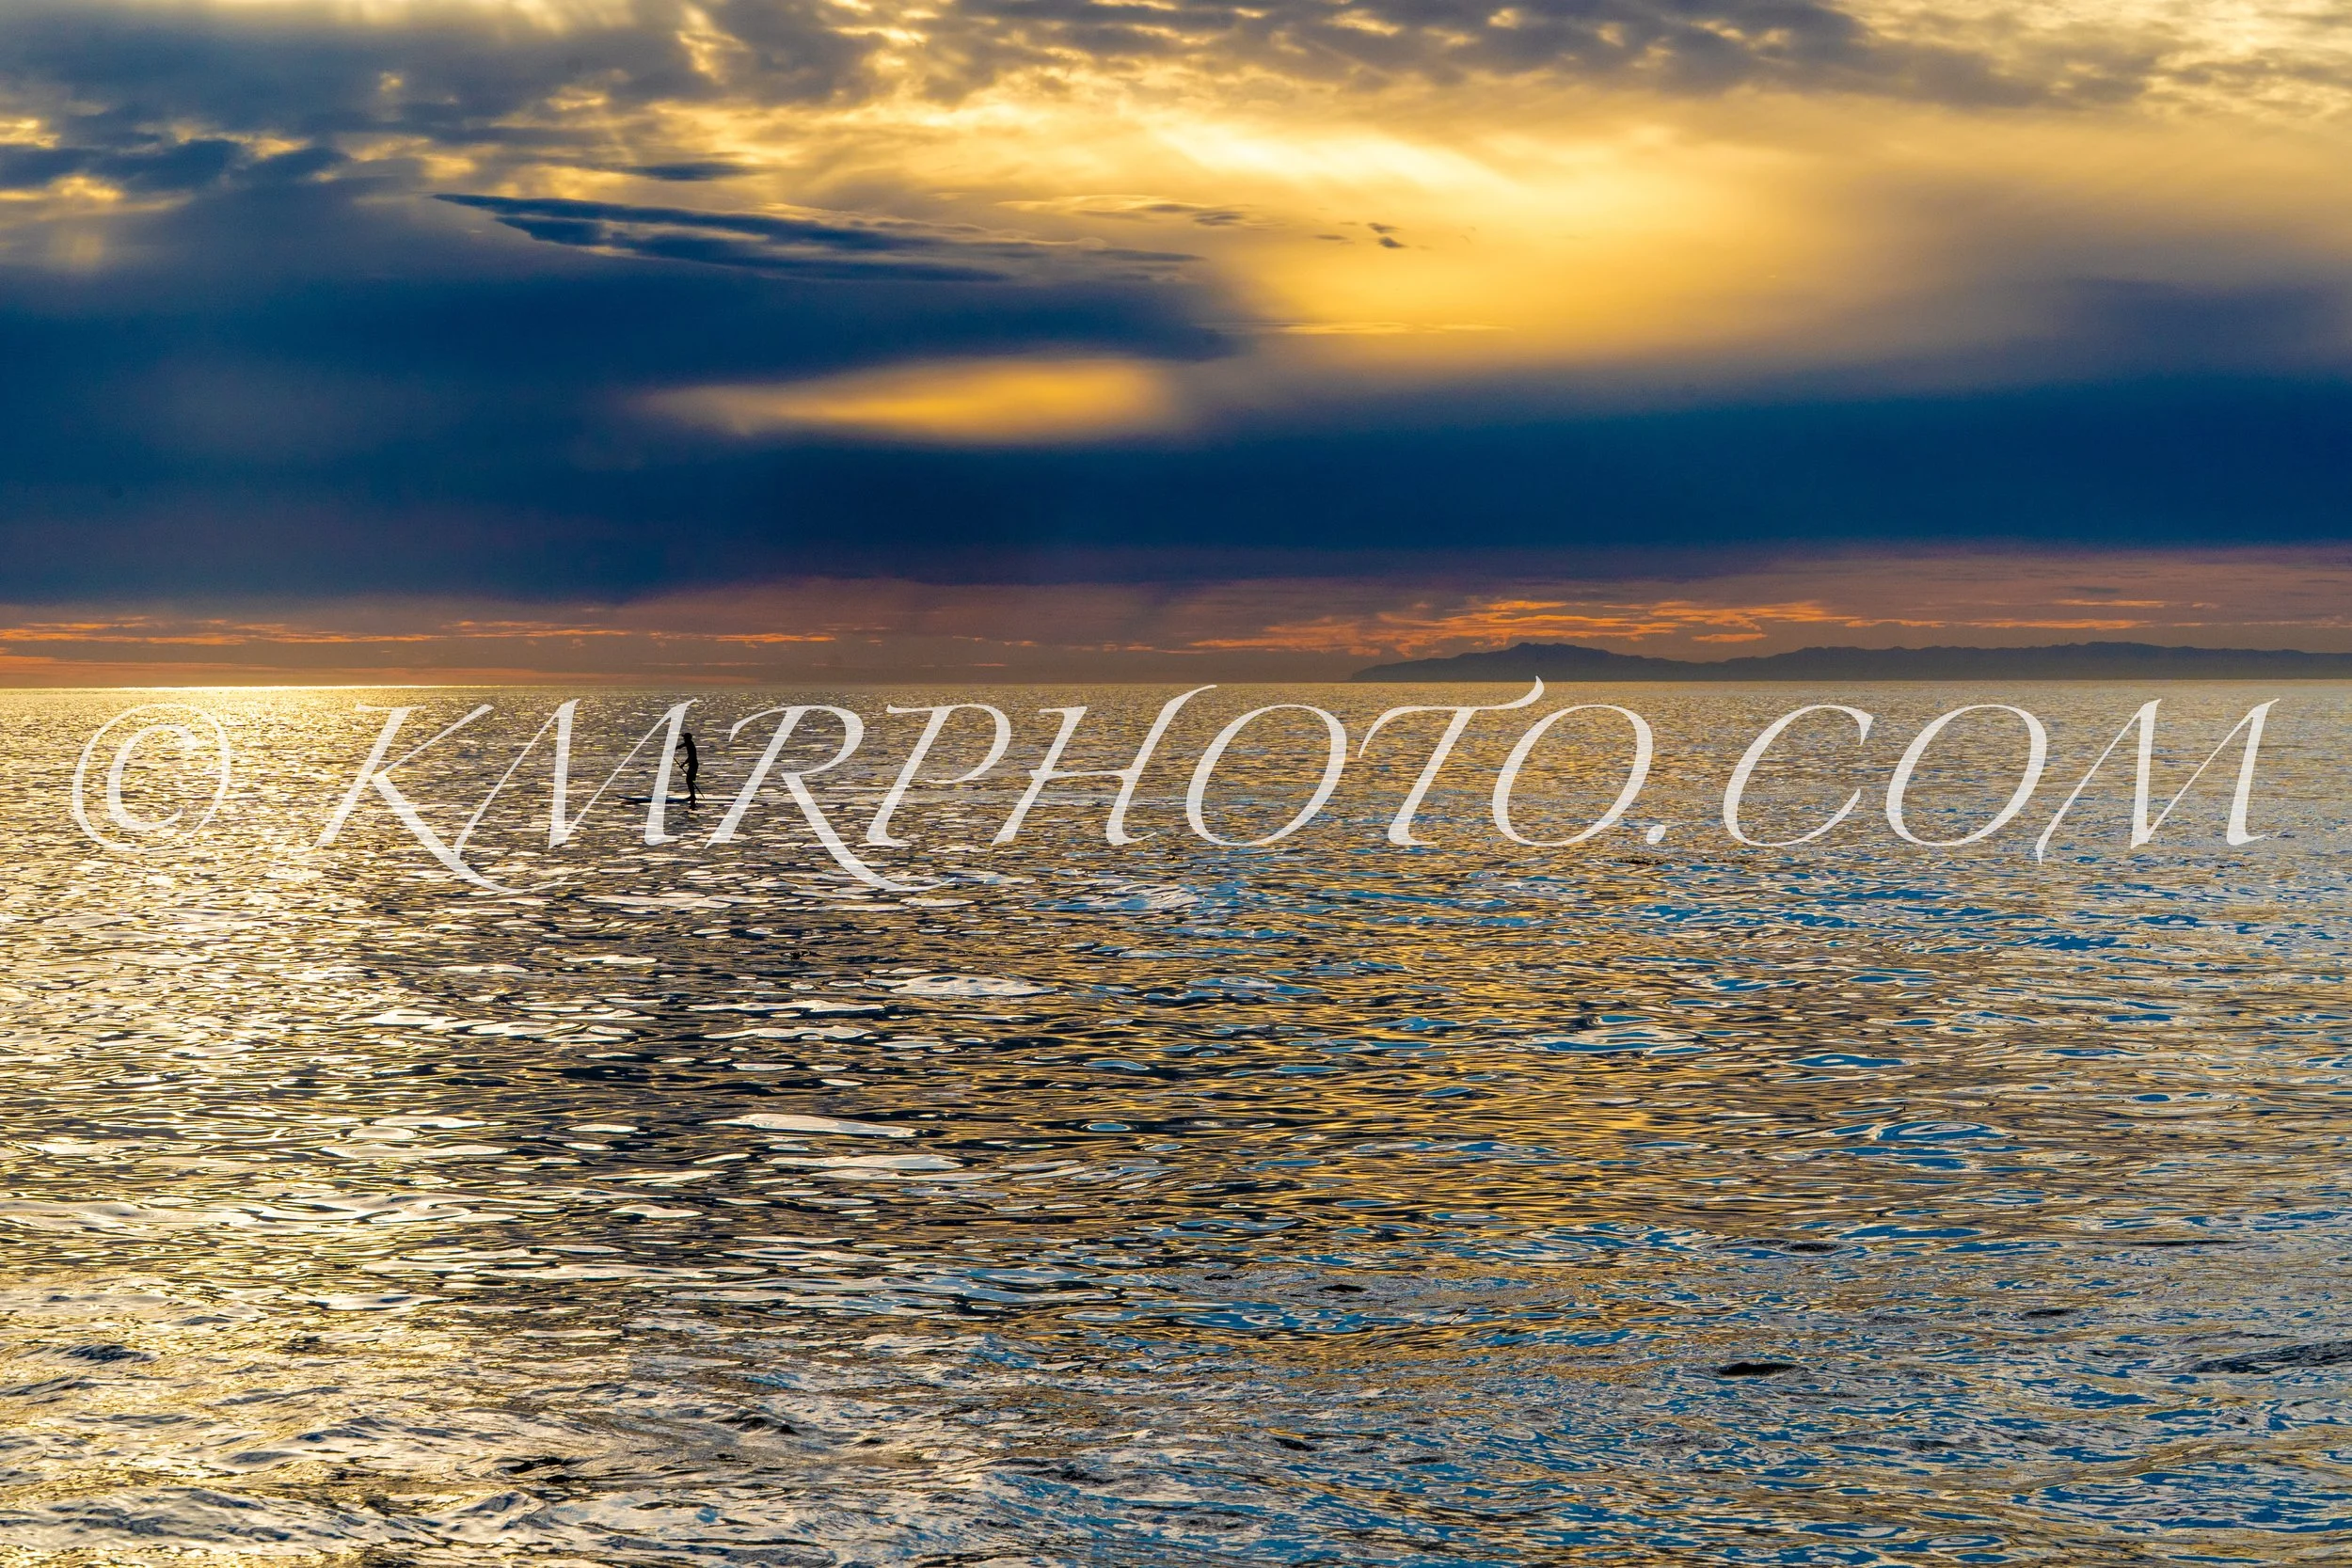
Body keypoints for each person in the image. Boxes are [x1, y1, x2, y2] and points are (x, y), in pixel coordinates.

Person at [675, 730, 699, 808]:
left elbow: (691, 757)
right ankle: (692, 796)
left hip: (693, 765)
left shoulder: (690, 745)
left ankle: (693, 796)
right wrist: (672, 749)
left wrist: (683, 764)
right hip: (692, 765)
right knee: (689, 780)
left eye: (684, 738)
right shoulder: (688, 743)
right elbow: (680, 746)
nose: (684, 739)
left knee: (689, 780)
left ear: (687, 738)